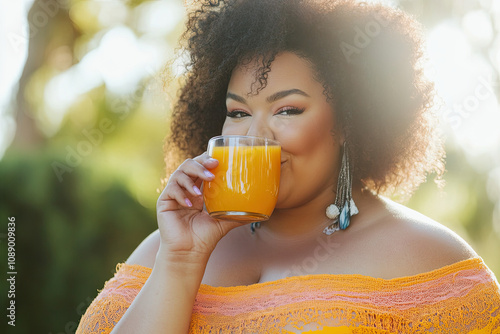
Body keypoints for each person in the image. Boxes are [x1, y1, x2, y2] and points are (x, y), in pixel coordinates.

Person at [76, 0, 500, 333]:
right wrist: (181, 263)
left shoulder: (428, 260)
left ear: (349, 122)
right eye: (238, 113)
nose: (254, 137)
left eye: (288, 109)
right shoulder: (163, 252)